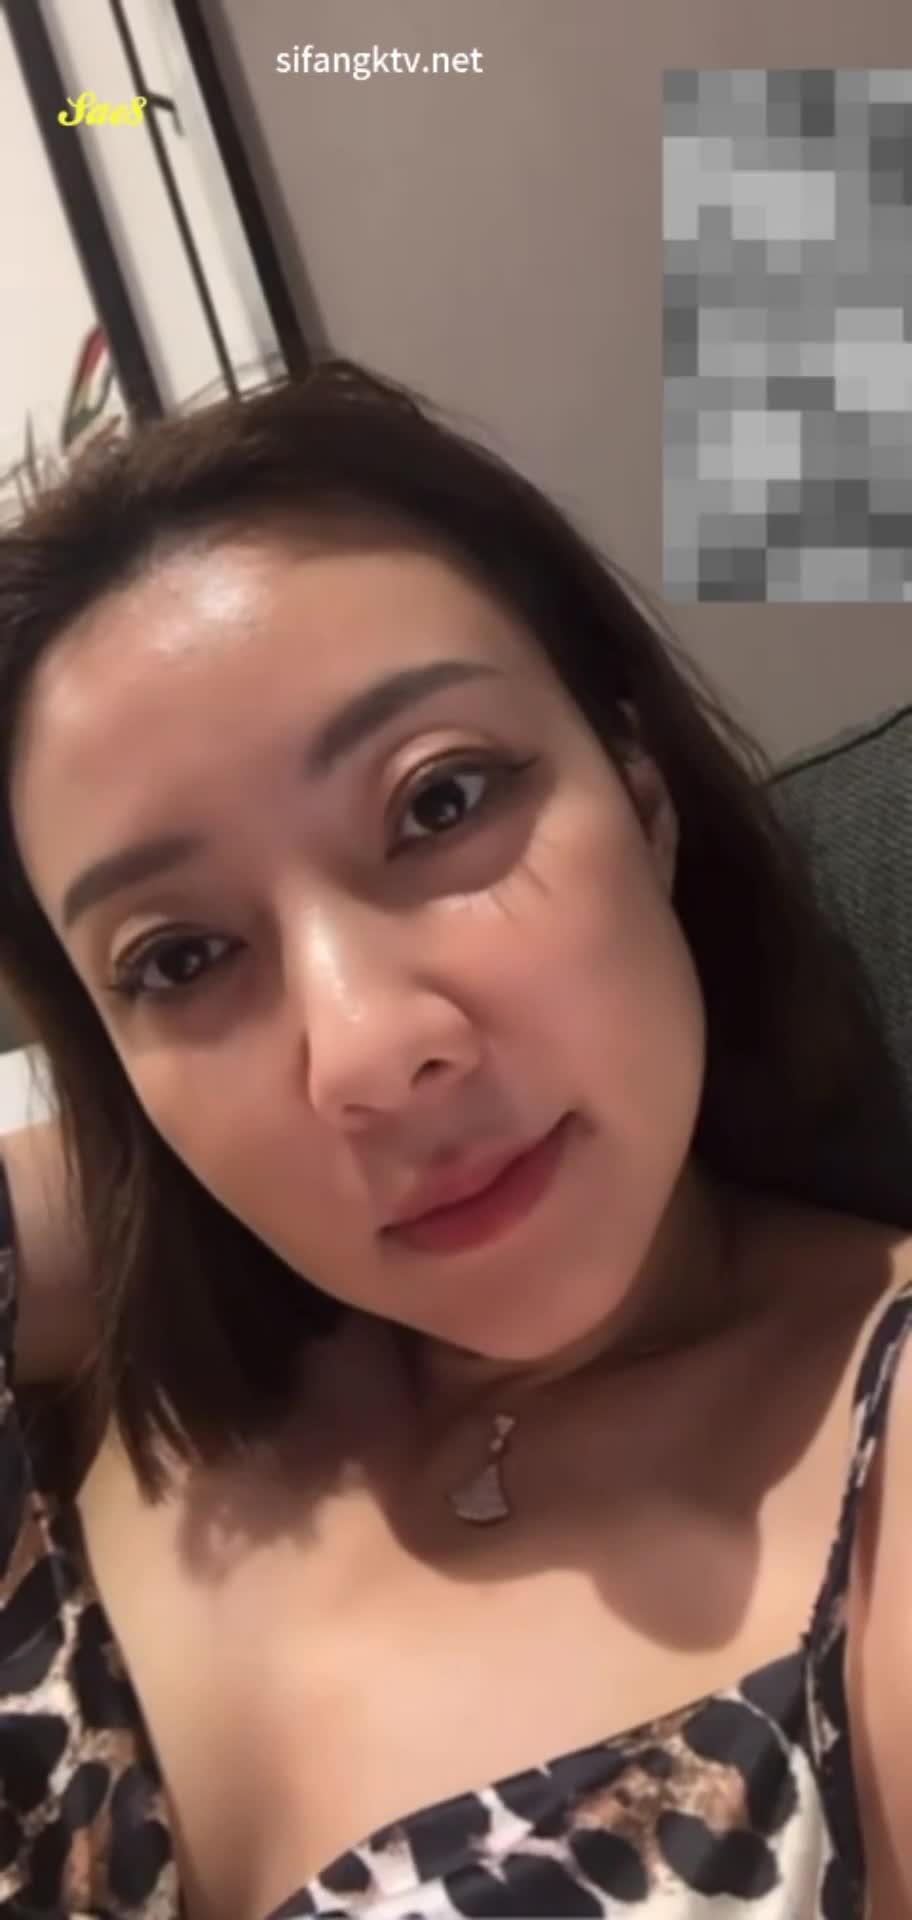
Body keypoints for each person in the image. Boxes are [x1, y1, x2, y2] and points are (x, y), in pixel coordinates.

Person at [0, 355, 910, 1920]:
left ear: (641, 794)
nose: (369, 1049)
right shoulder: (137, 1318)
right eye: (181, 958)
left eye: (441, 803)